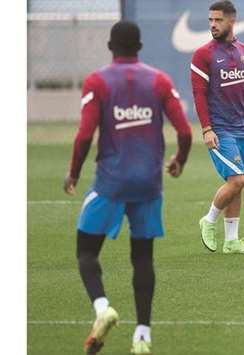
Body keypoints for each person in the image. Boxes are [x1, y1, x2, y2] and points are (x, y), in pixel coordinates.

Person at [63, 21, 193, 354]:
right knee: (143, 258)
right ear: (140, 46)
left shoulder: (98, 80)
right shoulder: (159, 80)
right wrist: (179, 159)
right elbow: (185, 131)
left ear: (110, 46)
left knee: (86, 251)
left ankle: (103, 308)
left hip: (111, 183)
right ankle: (143, 336)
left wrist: (74, 172)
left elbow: (84, 134)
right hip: (149, 184)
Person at [191, 0, 244, 254]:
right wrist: (206, 129)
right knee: (236, 180)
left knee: (239, 181)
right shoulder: (203, 54)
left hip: (241, 129)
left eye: (218, 20)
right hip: (219, 129)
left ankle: (231, 241)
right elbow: (198, 94)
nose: (213, 25)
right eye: (210, 20)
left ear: (232, 21)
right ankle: (209, 219)